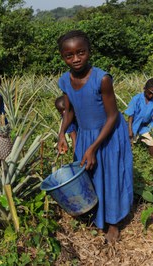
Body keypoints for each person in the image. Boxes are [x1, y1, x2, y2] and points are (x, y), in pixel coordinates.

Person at [56, 30, 133, 243]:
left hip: (107, 135)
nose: (76, 59)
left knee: (110, 176)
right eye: (69, 55)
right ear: (62, 56)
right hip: (85, 135)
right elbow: (70, 110)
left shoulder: (102, 79)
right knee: (90, 176)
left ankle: (113, 222)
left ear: (89, 51)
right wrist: (62, 133)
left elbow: (112, 116)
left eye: (81, 52)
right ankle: (96, 214)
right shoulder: (64, 80)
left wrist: (94, 147)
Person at [124, 78, 153, 156]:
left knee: (151, 141)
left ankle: (151, 160)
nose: (151, 95)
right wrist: (130, 130)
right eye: (150, 93)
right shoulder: (136, 99)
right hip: (134, 125)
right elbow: (131, 115)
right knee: (130, 143)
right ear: (144, 89)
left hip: (146, 126)